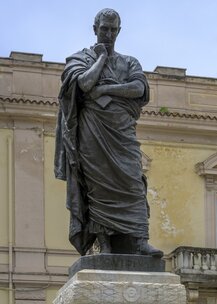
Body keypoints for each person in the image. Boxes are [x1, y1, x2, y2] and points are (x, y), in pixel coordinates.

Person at [54, 8, 163, 257]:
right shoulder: (80, 58)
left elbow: (139, 88)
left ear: (119, 31)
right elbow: (82, 83)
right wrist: (101, 59)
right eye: (104, 28)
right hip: (93, 131)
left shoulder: (129, 62)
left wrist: (107, 90)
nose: (109, 33)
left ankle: (139, 241)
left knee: (134, 182)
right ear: (95, 29)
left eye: (113, 29)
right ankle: (104, 244)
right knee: (98, 186)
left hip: (122, 134)